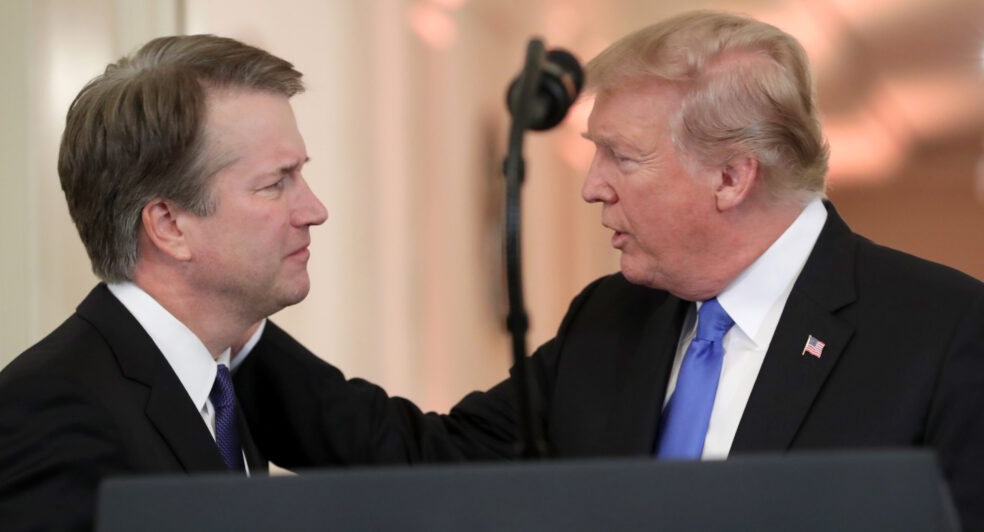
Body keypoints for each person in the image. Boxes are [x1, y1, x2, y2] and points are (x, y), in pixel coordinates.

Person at [233, 11, 984, 530]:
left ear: (732, 178)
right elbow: (426, 460)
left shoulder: (945, 336)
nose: (592, 184)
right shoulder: (612, 317)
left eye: (622, 156)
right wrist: (227, 327)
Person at [0, 35, 328, 531]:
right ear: (169, 225)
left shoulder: (218, 388)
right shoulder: (49, 412)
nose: (315, 211)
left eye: (300, 176)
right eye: (274, 184)